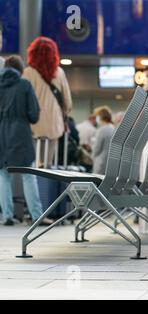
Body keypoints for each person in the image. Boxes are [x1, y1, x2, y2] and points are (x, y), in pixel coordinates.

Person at [0, 55, 50, 226]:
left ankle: (6, 216)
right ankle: (37, 216)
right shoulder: (24, 85)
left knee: (2, 175)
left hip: (0, 135)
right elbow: (34, 115)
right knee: (28, 176)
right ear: (20, 69)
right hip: (21, 134)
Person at [23, 37, 73, 167]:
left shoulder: (28, 73)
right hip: (54, 125)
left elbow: (23, 100)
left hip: (33, 124)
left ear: (33, 53)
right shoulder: (59, 72)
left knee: (33, 165)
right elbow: (68, 102)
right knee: (48, 164)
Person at [92, 106, 115, 175]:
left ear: (101, 116)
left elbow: (97, 148)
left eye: (97, 116)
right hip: (110, 163)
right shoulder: (113, 128)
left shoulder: (102, 130)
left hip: (100, 162)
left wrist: (92, 155)